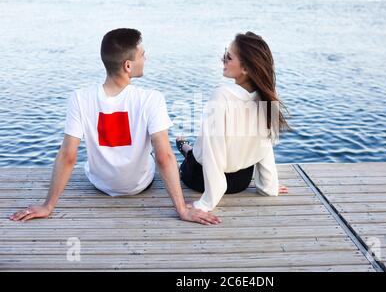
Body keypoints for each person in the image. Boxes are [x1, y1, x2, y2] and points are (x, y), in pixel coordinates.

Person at [10, 28, 220, 225]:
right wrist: (182, 209)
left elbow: (68, 156)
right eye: (142, 55)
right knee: (157, 155)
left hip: (100, 183)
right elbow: (165, 157)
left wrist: (48, 206)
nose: (145, 58)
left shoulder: (80, 98)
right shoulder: (151, 99)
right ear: (128, 66)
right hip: (138, 185)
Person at [176, 31, 289, 212]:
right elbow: (265, 147)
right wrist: (270, 186)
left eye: (228, 57)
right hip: (241, 181)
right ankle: (186, 146)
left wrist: (206, 203)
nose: (223, 60)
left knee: (194, 153)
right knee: (201, 146)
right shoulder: (267, 97)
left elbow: (213, 153)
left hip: (201, 180)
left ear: (245, 68)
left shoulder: (222, 96)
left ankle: (184, 146)